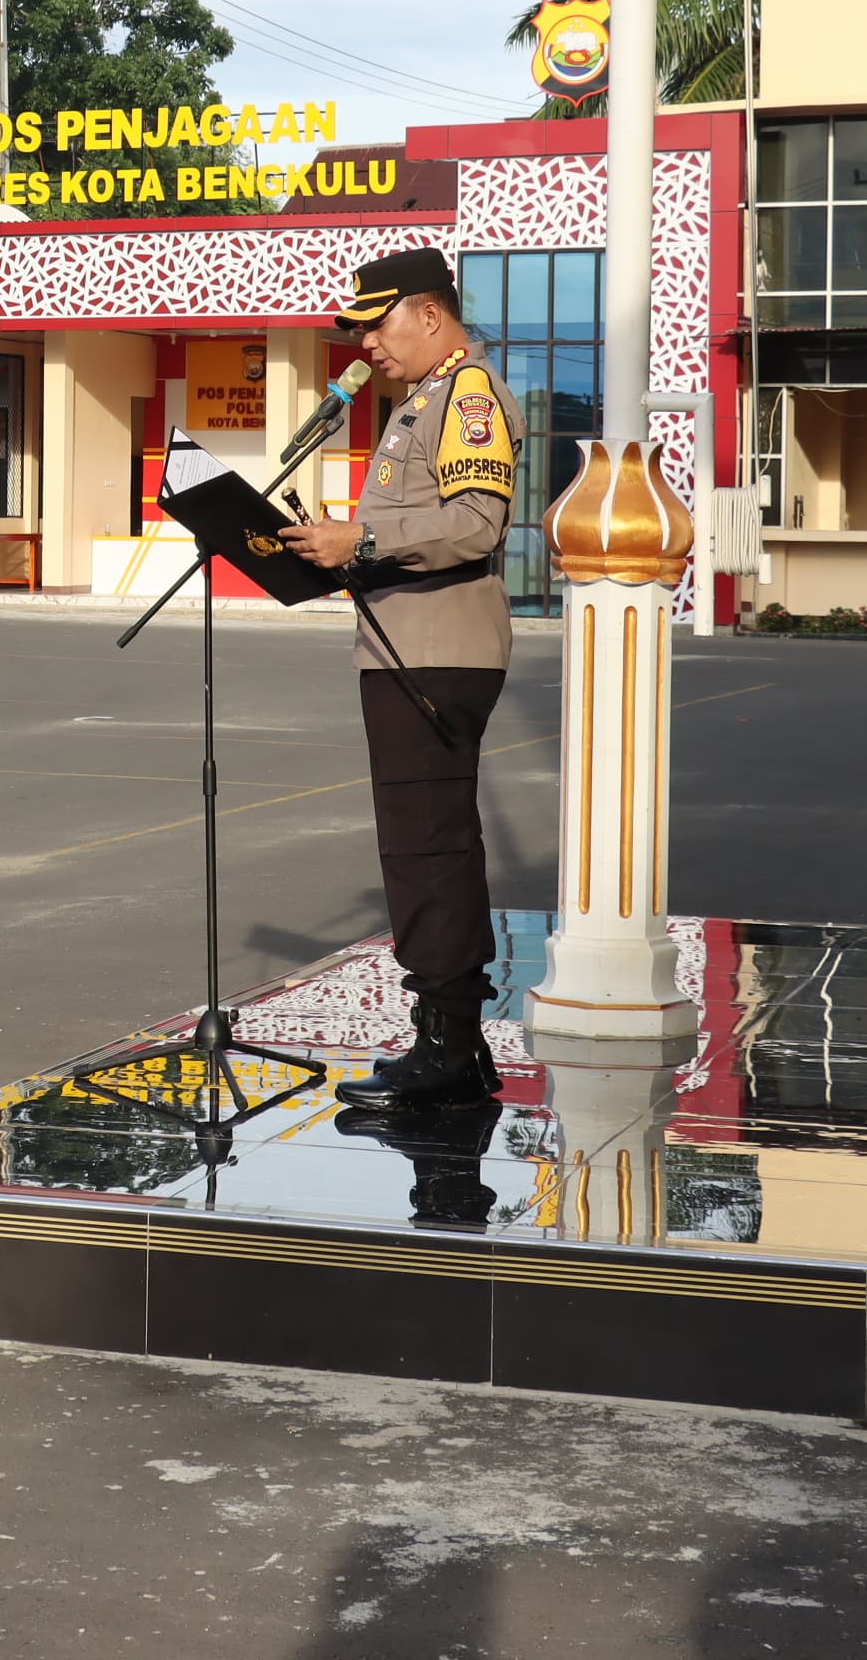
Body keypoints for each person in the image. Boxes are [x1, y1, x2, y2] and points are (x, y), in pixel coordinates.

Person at [277, 249, 521, 1115]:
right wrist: (334, 550)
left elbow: (473, 523)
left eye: (378, 326)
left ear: (430, 314)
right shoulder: (427, 398)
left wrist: (363, 543)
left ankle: (449, 1046)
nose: (367, 345)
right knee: (420, 844)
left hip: (437, 653)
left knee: (428, 848)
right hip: (406, 646)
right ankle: (450, 1039)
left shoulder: (469, 396)